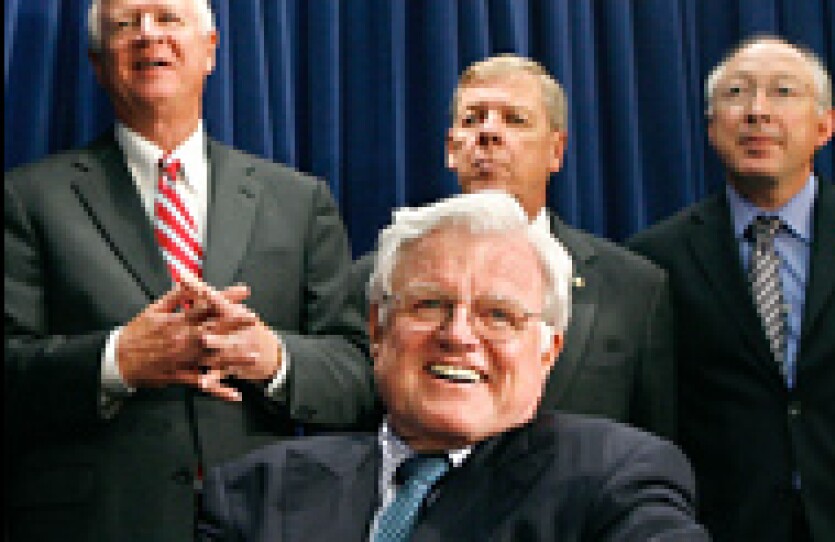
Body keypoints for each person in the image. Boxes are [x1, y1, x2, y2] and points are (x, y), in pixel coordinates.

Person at [4, 0, 377, 540]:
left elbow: (357, 376)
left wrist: (273, 358)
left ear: (210, 50)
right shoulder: (27, 198)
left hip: (266, 517)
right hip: (97, 521)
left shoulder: (299, 200)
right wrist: (117, 361)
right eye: (125, 24)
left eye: (167, 18)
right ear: (98, 65)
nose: (148, 35)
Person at [197, 191, 708, 541]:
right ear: (377, 328)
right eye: (429, 305)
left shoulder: (614, 480)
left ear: (548, 352)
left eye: (499, 315)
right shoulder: (256, 492)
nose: (458, 335)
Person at [348, 54, 676, 439]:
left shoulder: (634, 288)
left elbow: (656, 446)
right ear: (451, 149)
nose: (488, 132)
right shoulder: (376, 276)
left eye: (514, 119)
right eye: (473, 119)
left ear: (556, 150)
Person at [627, 35, 835, 542]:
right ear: (711, 126)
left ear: (825, 125)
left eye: (783, 92)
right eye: (737, 93)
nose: (757, 112)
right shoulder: (656, 258)